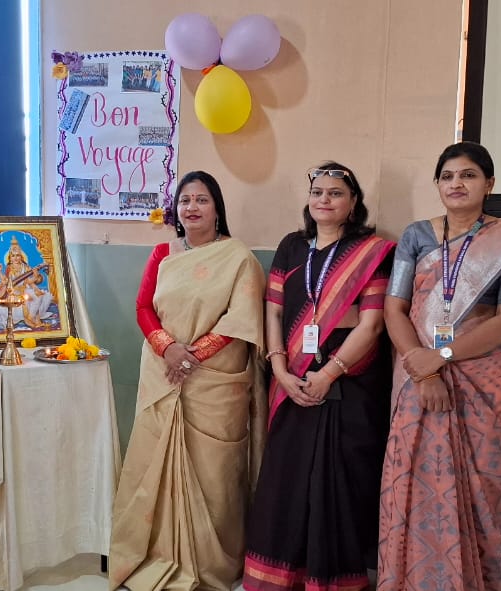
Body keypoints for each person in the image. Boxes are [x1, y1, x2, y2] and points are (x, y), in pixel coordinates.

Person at [378, 142, 501, 591]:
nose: (456, 184)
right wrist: (424, 371)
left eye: (468, 175)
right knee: (408, 485)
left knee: (481, 495)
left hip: (484, 382)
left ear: (489, 184)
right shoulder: (417, 236)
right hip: (416, 377)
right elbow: (394, 308)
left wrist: (441, 357)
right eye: (447, 176)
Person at [110, 171, 266, 591]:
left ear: (217, 208)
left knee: (215, 476)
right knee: (153, 468)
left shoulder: (238, 257)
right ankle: (156, 553)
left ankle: (213, 562)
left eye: (201, 200)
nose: (192, 208)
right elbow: (143, 307)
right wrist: (168, 349)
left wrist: (193, 355)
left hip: (215, 383)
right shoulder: (163, 253)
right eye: (184, 200)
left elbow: (241, 319)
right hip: (163, 375)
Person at [242, 162, 395, 591]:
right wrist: (278, 368)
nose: (324, 200)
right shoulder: (292, 246)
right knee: (285, 480)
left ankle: (332, 580)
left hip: (349, 383)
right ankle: (279, 576)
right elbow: (273, 312)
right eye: (317, 192)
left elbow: (372, 325)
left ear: (353, 202)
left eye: (335, 193)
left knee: (337, 483)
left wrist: (329, 374)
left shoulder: (371, 250)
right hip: (289, 380)